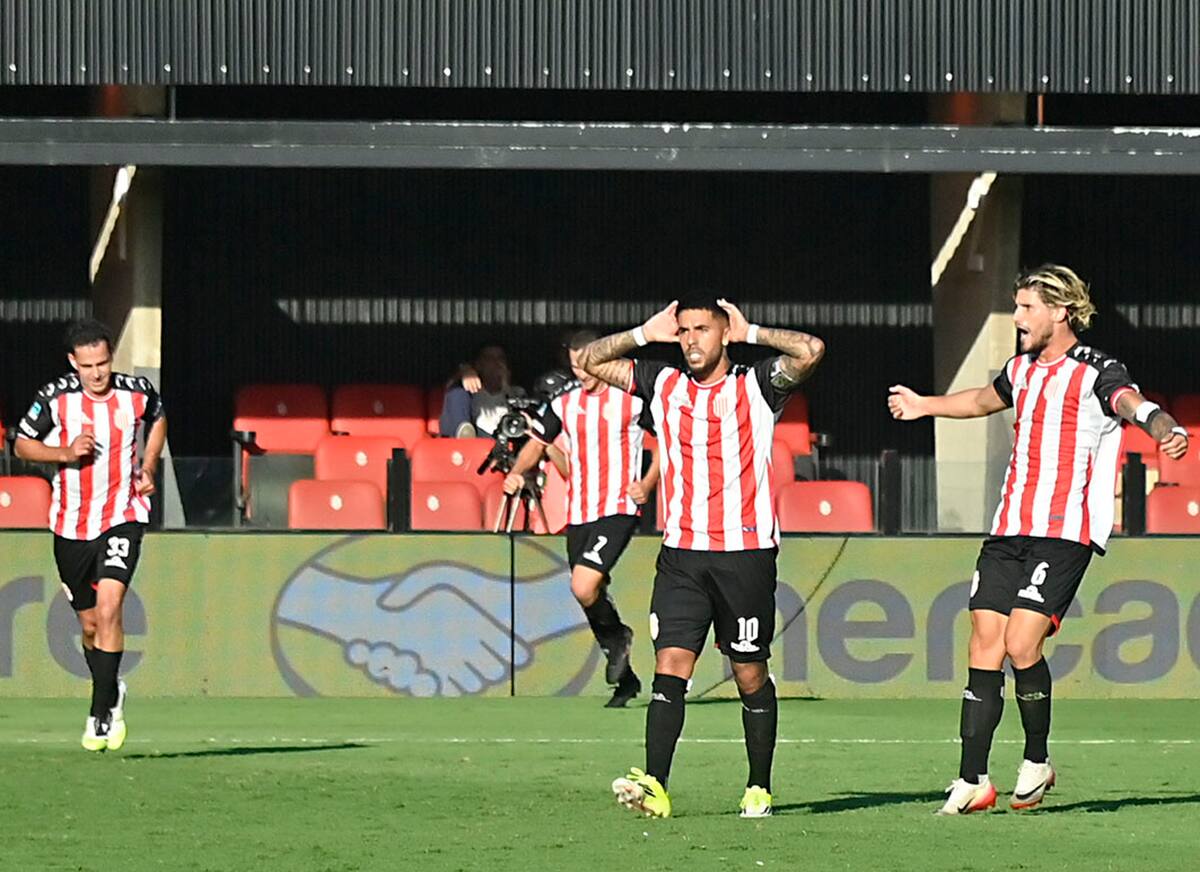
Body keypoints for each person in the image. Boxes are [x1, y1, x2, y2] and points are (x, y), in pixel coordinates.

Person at [888, 264, 1188, 815]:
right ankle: (972, 780)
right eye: (1018, 307)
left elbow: (1129, 403)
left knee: (1022, 644)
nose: (1018, 318)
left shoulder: (1097, 369)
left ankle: (1036, 760)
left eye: (1027, 308)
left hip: (1063, 532)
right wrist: (925, 404)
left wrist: (1162, 426)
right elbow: (982, 399)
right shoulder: (1020, 369)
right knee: (983, 641)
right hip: (1008, 527)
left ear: (1061, 312)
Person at [579, 295, 825, 818]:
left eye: (702, 330)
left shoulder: (755, 386)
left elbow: (810, 351)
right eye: (685, 330)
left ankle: (759, 784)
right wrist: (645, 333)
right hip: (682, 555)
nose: (691, 339)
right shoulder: (661, 382)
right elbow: (591, 360)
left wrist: (752, 329)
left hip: (745, 555)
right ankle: (656, 785)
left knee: (748, 674)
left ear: (723, 334)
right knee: (670, 664)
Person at [14, 318, 167, 752]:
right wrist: (64, 452)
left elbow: (157, 419)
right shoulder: (55, 399)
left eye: (103, 362)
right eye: (88, 366)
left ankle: (100, 714)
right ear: (72, 363)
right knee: (89, 625)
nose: (97, 373)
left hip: (122, 514)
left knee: (111, 605)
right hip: (71, 524)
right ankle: (111, 688)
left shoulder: (135, 392)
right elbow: (22, 444)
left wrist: (149, 465)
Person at [502, 329, 660, 708]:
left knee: (583, 585)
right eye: (575, 365)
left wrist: (648, 483)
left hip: (618, 508)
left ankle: (618, 637)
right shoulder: (564, 404)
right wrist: (517, 472)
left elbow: (668, 445)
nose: (582, 372)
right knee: (588, 591)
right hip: (580, 512)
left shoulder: (633, 400)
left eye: (587, 363)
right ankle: (625, 676)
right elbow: (537, 444)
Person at [439, 343, 525, 438]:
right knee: (457, 392)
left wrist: (506, 386)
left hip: (505, 437)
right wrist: (465, 371)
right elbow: (449, 386)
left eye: (500, 358)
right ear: (479, 364)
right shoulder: (468, 390)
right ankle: (464, 436)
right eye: (489, 358)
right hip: (475, 437)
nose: (496, 362)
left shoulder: (516, 391)